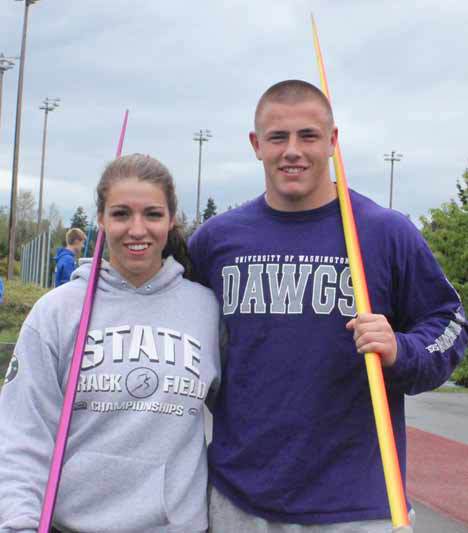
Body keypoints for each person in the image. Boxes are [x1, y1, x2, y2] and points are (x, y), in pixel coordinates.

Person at [188, 80, 468, 532]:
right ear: (256, 145)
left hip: (359, 504)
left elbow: (449, 321)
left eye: (309, 136)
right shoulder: (217, 240)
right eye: (278, 137)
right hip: (239, 499)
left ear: (333, 142)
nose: (292, 151)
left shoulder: (383, 231)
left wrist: (401, 349)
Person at [0, 154, 221, 533]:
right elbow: (22, 432)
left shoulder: (206, 309)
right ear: (100, 219)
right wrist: (19, 523)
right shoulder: (57, 311)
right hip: (70, 525)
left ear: (171, 220)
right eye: (121, 214)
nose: (137, 229)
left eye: (152, 214)